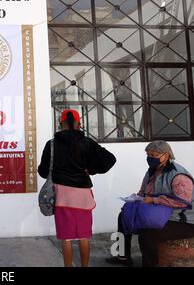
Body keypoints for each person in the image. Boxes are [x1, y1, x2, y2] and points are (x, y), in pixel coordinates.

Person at [38, 109, 116, 267]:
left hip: (62, 196)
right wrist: (91, 169)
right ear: (79, 124)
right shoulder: (87, 143)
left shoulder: (52, 144)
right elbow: (110, 159)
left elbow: (43, 171)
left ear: (61, 124)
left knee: (66, 238)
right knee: (84, 236)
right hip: (83, 196)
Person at [106, 140, 194, 267]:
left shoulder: (179, 175)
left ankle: (149, 264)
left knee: (147, 232)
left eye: (154, 155)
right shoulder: (151, 171)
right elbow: (143, 192)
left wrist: (155, 200)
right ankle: (122, 255)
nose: (150, 158)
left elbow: (183, 202)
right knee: (123, 216)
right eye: (148, 155)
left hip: (182, 220)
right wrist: (135, 201)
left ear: (166, 155)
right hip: (157, 214)